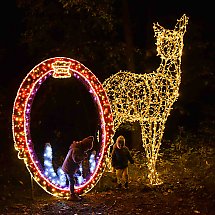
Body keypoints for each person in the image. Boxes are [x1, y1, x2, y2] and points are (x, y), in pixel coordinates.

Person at [62, 136, 94, 201]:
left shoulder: (78, 148)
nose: (87, 150)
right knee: (72, 180)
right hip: (69, 168)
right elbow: (76, 159)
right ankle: (72, 194)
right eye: (87, 148)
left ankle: (74, 191)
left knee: (78, 175)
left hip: (73, 168)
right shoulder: (76, 149)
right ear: (85, 146)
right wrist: (83, 157)